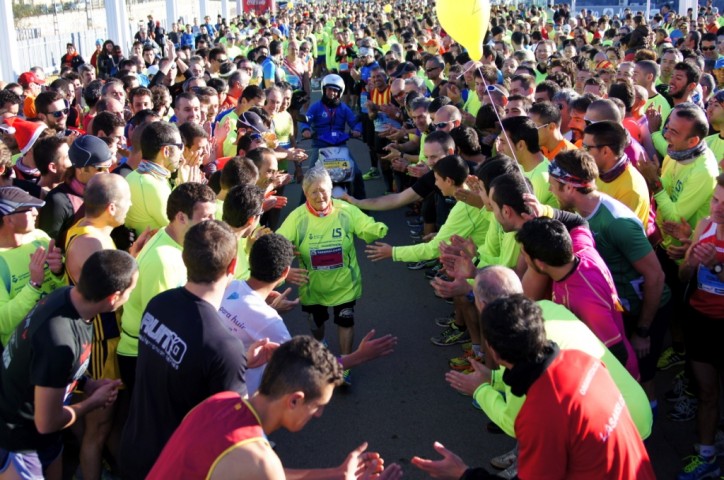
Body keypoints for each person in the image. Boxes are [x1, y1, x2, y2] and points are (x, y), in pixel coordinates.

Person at [413, 295, 655, 480]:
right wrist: (494, 380)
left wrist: (462, 473)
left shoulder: (541, 412)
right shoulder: (581, 360)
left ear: (494, 352)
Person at [120, 220, 274, 479]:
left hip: (134, 451)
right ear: (233, 266)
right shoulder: (223, 346)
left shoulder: (159, 304)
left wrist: (238, 363)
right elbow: (234, 434)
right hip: (174, 468)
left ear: (184, 258)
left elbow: (182, 368)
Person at [147, 336, 403, 480]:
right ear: (294, 400)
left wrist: (336, 474)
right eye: (318, 406)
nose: (320, 414)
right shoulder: (258, 458)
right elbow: (265, 472)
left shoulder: (219, 401)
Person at [0, 250, 137, 480]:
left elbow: (49, 369)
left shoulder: (68, 297)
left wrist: (87, 383)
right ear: (114, 297)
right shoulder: (59, 341)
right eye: (130, 292)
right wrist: (93, 402)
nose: (130, 297)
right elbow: (47, 421)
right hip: (19, 441)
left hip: (46, 436)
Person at [219, 233, 397, 395]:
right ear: (285, 273)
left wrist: (268, 307)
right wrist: (358, 356)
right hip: (240, 401)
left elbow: (242, 318)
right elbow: (304, 369)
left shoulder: (228, 286)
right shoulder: (270, 322)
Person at [277, 168, 388, 385]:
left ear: (331, 189)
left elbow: (366, 226)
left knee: (346, 320)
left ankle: (344, 365)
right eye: (313, 193)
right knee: (316, 325)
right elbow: (278, 244)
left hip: (344, 283)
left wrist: (378, 229)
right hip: (313, 287)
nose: (320, 197)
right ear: (305, 194)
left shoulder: (345, 211)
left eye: (323, 190)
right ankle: (321, 343)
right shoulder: (297, 217)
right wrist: (287, 253)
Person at [117, 182, 217, 391]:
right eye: (206, 217)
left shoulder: (175, 241)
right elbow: (161, 328)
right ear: (181, 217)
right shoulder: (163, 260)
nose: (213, 223)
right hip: (143, 357)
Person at [515, 216, 640, 379]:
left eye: (524, 256)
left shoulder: (585, 302)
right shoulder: (582, 249)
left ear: (539, 263)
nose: (524, 261)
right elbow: (580, 222)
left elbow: (617, 351)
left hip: (616, 378)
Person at [676, 174, 724, 480]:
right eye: (716, 199)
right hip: (700, 320)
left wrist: (716, 267)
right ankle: (707, 455)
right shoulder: (705, 225)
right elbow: (683, 276)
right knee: (707, 392)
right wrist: (691, 262)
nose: (718, 208)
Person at [0, 187, 66, 346]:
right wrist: (33, 285)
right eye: (29, 209)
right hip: (26, 351)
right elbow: (3, 323)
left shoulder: (39, 237)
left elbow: (63, 287)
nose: (36, 212)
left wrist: (59, 272)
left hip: (59, 335)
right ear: (8, 219)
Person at [37, 135, 114, 247]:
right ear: (82, 169)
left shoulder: (107, 191)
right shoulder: (58, 201)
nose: (107, 173)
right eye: (100, 169)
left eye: (108, 167)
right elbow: (48, 247)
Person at [299, 74, 365, 198]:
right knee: (310, 177)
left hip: (341, 146)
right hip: (319, 146)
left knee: (356, 173)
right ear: (324, 89)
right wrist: (305, 130)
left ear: (340, 92)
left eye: (335, 90)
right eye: (329, 89)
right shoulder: (316, 107)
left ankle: (363, 206)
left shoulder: (344, 108)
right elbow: (305, 120)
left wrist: (357, 130)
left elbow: (355, 122)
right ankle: (303, 208)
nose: (332, 93)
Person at [124, 121, 184, 235]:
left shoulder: (135, 175)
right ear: (166, 151)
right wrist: (187, 187)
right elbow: (181, 228)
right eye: (180, 146)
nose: (181, 153)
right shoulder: (151, 185)